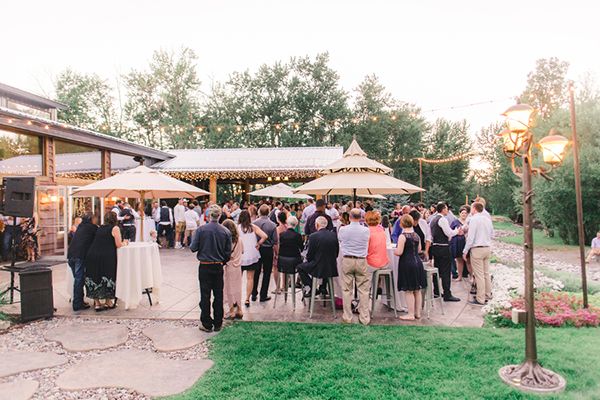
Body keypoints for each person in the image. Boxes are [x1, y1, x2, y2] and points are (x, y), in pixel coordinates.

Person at [190, 205, 232, 332]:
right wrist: (221, 261)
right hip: (218, 265)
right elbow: (227, 253)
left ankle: (206, 323)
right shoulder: (226, 231)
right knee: (218, 295)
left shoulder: (201, 230)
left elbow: (193, 248)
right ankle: (218, 322)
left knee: (205, 294)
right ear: (219, 216)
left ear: (208, 216)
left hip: (204, 265)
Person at [85, 212, 124, 311]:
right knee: (107, 277)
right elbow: (118, 244)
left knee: (95, 277)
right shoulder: (115, 228)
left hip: (92, 255)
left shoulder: (99, 228)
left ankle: (97, 303)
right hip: (106, 256)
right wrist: (125, 242)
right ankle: (108, 302)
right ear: (115, 219)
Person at [337, 208, 371, 325]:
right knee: (364, 290)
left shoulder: (343, 229)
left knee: (346, 290)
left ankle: (347, 316)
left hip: (347, 259)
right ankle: (364, 317)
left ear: (350, 217)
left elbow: (340, 241)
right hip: (361, 260)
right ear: (361, 217)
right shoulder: (366, 230)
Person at [395, 214, 427, 320]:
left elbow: (399, 252)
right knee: (417, 290)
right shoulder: (416, 235)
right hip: (418, 263)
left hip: (407, 263)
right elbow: (419, 250)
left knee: (409, 290)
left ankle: (410, 314)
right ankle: (417, 313)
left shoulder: (402, 236)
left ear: (402, 224)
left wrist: (395, 251)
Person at [297, 216, 339, 298]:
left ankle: (312, 288)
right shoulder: (333, 235)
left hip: (318, 266)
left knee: (300, 267)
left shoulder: (313, 236)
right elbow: (336, 252)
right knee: (325, 263)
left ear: (317, 225)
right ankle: (323, 287)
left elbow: (310, 255)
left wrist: (308, 260)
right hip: (331, 266)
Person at [463, 202, 494, 305]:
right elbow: (492, 233)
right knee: (486, 273)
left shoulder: (474, 220)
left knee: (479, 274)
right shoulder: (488, 219)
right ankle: (488, 294)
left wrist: (465, 250)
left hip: (477, 249)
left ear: (475, 209)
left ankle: (480, 298)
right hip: (487, 247)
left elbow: (471, 237)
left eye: (471, 208)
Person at [429, 202, 461, 302]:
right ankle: (447, 293)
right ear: (443, 209)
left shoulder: (433, 219)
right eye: (447, 208)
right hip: (443, 247)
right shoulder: (442, 219)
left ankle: (436, 291)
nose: (448, 210)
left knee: (437, 270)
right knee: (446, 271)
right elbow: (448, 233)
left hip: (435, 247)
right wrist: (457, 231)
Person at [67, 213, 97, 311]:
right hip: (80, 255)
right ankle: (77, 304)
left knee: (78, 280)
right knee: (79, 280)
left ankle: (79, 301)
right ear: (91, 219)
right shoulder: (92, 228)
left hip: (71, 254)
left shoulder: (81, 226)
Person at [238, 210, 267, 307]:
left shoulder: (237, 228)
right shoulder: (253, 227)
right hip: (252, 255)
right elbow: (264, 236)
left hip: (240, 256)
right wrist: (258, 244)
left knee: (238, 279)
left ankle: (236, 299)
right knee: (250, 278)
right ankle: (247, 299)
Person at [252, 205, 279, 302]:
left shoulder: (254, 223)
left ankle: (253, 293)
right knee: (267, 273)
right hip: (268, 250)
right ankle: (263, 295)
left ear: (259, 212)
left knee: (256, 272)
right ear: (268, 212)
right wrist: (277, 254)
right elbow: (275, 241)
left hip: (257, 249)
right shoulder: (272, 225)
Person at [222, 219, 244, 320]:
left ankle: (231, 311)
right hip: (238, 266)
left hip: (229, 266)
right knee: (238, 288)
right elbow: (243, 251)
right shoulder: (239, 239)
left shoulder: (227, 241)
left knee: (229, 289)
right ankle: (239, 309)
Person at [277, 216, 304, 285]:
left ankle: (285, 285)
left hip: (282, 260)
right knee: (303, 266)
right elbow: (301, 248)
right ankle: (304, 286)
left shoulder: (282, 235)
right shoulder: (298, 235)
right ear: (296, 224)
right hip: (294, 260)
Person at [451, 205, 470, 281]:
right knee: (459, 260)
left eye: (465, 213)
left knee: (468, 261)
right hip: (458, 243)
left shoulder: (469, 222)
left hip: (467, 242)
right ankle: (459, 276)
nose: (464, 214)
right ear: (459, 213)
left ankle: (471, 276)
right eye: (462, 213)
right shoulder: (455, 222)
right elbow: (451, 232)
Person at [272, 211, 288, 293]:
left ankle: (278, 288)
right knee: (285, 269)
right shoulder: (287, 228)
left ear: (278, 219)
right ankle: (284, 286)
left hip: (279, 250)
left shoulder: (277, 229)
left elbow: (276, 242)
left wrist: (276, 253)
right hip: (287, 251)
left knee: (276, 268)